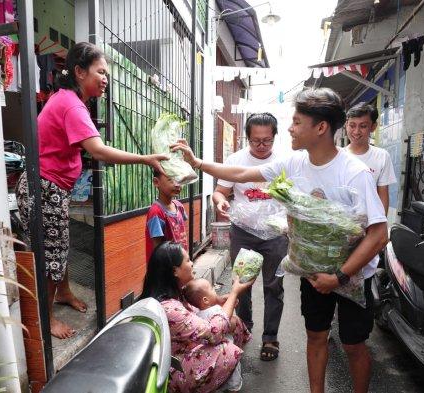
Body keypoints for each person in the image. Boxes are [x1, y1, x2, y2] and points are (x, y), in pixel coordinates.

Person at [171, 88, 389, 393]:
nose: (290, 128)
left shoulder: (355, 173)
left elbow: (378, 234)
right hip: (313, 276)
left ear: (321, 127)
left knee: (354, 346)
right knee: (315, 337)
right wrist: (198, 163)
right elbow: (242, 172)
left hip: (351, 276)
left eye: (297, 122)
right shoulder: (296, 164)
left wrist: (339, 276)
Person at [16, 42, 167, 339]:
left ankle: (64, 292)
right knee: (51, 257)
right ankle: (46, 322)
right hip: (43, 188)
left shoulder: (67, 100)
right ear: (79, 71)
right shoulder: (71, 104)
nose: (106, 78)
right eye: (100, 71)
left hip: (46, 186)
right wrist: (145, 158)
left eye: (107, 73)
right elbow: (98, 151)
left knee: (59, 246)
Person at [212, 112, 287, 361]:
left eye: (267, 141)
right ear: (247, 138)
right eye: (256, 141)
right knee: (241, 285)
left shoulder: (285, 161)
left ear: (274, 137)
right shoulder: (236, 160)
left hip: (276, 233)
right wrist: (221, 202)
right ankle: (244, 328)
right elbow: (220, 192)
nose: (261, 146)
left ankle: (270, 337)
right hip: (243, 232)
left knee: (273, 286)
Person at [140, 242, 253, 393]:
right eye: (187, 260)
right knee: (227, 350)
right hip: (174, 369)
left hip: (183, 350)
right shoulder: (169, 308)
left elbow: (199, 312)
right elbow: (212, 333)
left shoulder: (176, 293)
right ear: (175, 271)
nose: (192, 263)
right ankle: (225, 382)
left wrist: (218, 300)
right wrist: (234, 293)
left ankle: (226, 375)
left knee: (232, 321)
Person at [183, 278, 243, 391]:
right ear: (205, 300)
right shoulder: (216, 310)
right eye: (211, 288)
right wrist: (232, 299)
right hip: (226, 350)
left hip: (211, 352)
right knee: (233, 371)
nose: (214, 290)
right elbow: (230, 323)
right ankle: (235, 387)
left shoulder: (196, 314)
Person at [344, 103, 397, 215]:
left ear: (373, 127)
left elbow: (383, 194)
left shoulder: (382, 156)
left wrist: (381, 224)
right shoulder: (338, 156)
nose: (356, 131)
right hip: (341, 222)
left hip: (370, 222)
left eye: (363, 126)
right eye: (352, 125)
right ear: (346, 125)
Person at [145, 170, 188, 262]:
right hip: (165, 267)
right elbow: (157, 247)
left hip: (180, 262)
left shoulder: (179, 206)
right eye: (171, 179)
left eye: (179, 180)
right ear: (156, 182)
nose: (177, 184)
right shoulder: (156, 212)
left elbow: (182, 233)